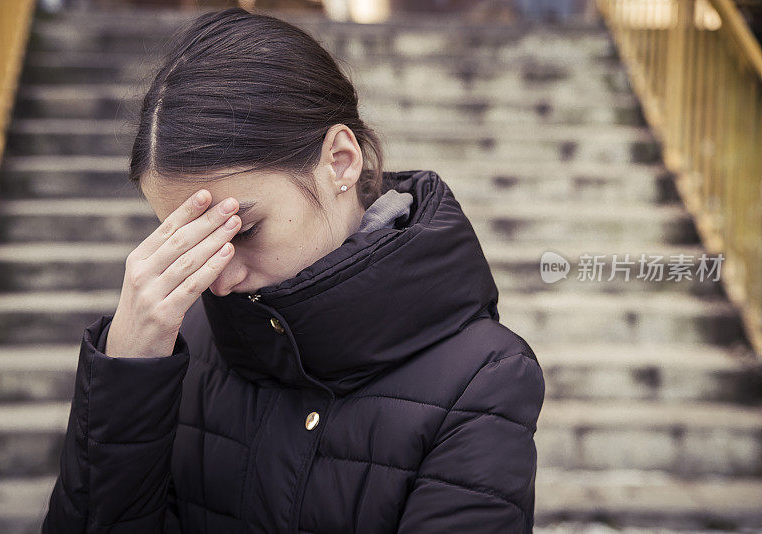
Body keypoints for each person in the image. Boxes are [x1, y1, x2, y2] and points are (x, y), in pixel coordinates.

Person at [41, 7, 545, 533]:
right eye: (190, 239)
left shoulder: (483, 378)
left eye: (242, 231)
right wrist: (126, 373)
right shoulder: (178, 343)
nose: (217, 278)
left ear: (341, 161)